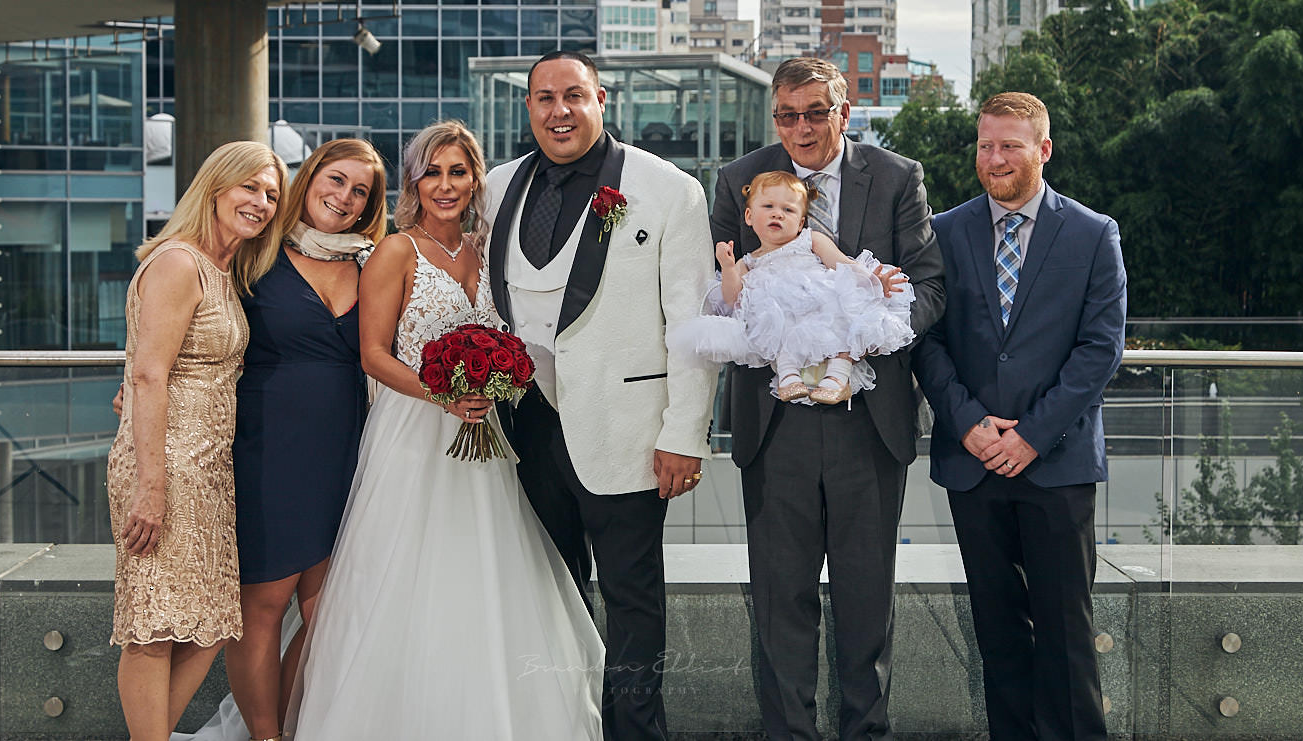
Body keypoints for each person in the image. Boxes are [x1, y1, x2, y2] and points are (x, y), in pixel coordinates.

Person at [290, 121, 603, 739]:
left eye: (457, 171)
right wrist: (444, 395)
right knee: (406, 575)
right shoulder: (395, 251)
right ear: (413, 181)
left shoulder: (489, 251)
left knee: (484, 572)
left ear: (475, 179)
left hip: (485, 439)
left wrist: (497, 383)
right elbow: (373, 355)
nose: (445, 184)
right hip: (414, 434)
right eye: (431, 172)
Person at [709, 56, 945, 741]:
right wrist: (770, 334)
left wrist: (866, 329)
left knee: (866, 597)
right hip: (774, 419)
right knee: (780, 596)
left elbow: (931, 286)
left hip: (866, 420)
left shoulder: (897, 177)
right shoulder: (737, 178)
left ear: (844, 111)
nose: (802, 128)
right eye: (787, 115)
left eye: (816, 112)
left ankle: (866, 732)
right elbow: (715, 290)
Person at [485, 51, 716, 740]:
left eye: (574, 95)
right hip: (523, 429)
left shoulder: (670, 189)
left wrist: (685, 433)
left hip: (629, 432)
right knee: (550, 596)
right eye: (545, 97)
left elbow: (691, 325)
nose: (559, 110)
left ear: (601, 99)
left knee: (632, 600)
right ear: (529, 106)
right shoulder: (498, 186)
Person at [912, 92, 1126, 741]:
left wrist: (1031, 435)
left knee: (1067, 634)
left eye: (1009, 145)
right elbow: (926, 340)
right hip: (973, 461)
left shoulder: (1093, 233)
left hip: (1057, 463)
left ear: (1044, 149)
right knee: (998, 633)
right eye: (985, 145)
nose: (995, 158)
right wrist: (970, 424)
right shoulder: (943, 232)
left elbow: (1100, 349)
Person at [108, 140, 287, 741]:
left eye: (271, 195)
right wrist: (150, 486)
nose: (261, 203)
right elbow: (148, 373)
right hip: (165, 466)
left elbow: (147, 362)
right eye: (249, 188)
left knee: (210, 625)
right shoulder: (179, 262)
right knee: (154, 628)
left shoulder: (222, 270)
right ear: (215, 188)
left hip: (208, 469)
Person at [226, 138, 387, 741]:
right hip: (267, 449)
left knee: (332, 617)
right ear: (311, 176)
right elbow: (193, 323)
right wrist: (137, 380)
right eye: (336, 179)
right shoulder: (256, 251)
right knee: (263, 608)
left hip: (348, 451)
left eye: (360, 191)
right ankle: (265, 736)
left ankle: (292, 729)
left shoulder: (374, 264)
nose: (344, 197)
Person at [669, 170, 915, 406]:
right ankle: (788, 375)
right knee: (771, 322)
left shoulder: (811, 240)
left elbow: (843, 264)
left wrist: (872, 281)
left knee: (846, 318)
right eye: (768, 206)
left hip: (821, 304)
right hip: (780, 315)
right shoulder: (749, 262)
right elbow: (732, 299)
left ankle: (838, 376)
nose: (778, 214)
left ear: (800, 223)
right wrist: (728, 267)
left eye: (788, 210)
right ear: (749, 216)